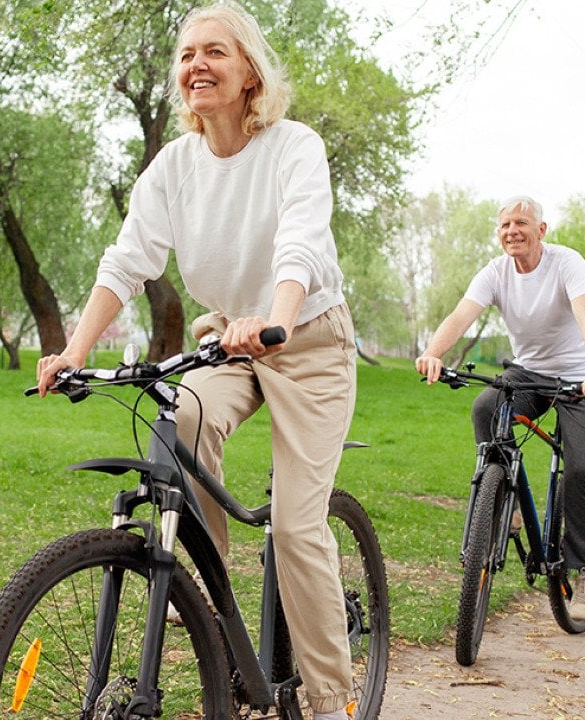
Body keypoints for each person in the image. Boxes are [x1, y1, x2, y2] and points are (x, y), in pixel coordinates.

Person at [35, 3, 356, 717]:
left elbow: (299, 242)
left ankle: (332, 700)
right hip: (228, 336)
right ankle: (212, 600)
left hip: (304, 339)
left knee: (296, 527)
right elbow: (126, 264)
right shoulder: (175, 166)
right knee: (181, 423)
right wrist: (74, 351)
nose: (196, 65)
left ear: (249, 74)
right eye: (186, 55)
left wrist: (274, 319)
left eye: (215, 51)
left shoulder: (293, 147)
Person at [415, 196, 585, 622]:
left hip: (579, 379)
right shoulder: (496, 272)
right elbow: (461, 314)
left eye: (522, 223)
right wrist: (433, 352)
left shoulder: (566, 263)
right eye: (505, 224)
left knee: (579, 468)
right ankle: (509, 502)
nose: (512, 231)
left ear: (541, 230)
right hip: (529, 373)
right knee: (486, 407)